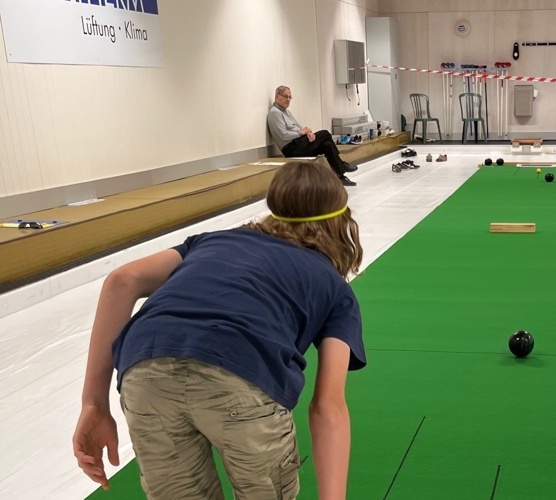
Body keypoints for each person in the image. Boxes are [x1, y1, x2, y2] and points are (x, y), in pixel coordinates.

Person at [73, 160, 366, 499]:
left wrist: (93, 403)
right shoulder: (333, 287)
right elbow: (327, 407)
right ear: (342, 220)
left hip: (145, 367)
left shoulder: (213, 241)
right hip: (243, 372)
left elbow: (122, 280)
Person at [268, 85, 358, 187]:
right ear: (277, 96)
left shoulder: (286, 112)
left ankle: (340, 177)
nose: (288, 100)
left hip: (300, 144)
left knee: (327, 145)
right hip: (292, 148)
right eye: (285, 96)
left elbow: (300, 127)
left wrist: (309, 132)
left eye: (290, 97)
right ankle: (341, 165)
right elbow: (283, 135)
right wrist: (302, 133)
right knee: (325, 133)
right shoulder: (275, 113)